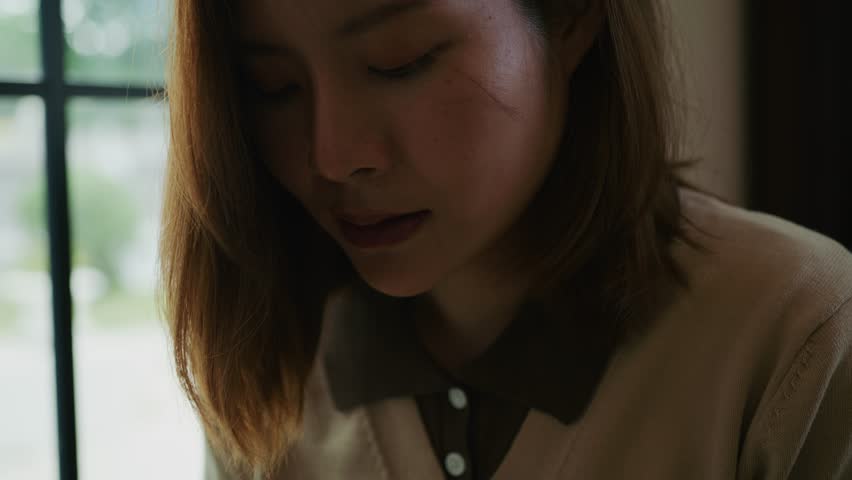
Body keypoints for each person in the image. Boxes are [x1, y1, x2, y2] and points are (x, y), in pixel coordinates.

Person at [158, 0, 852, 478]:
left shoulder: (798, 335)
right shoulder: (278, 356)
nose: (333, 155)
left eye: (402, 61)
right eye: (271, 86)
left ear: (572, 14)